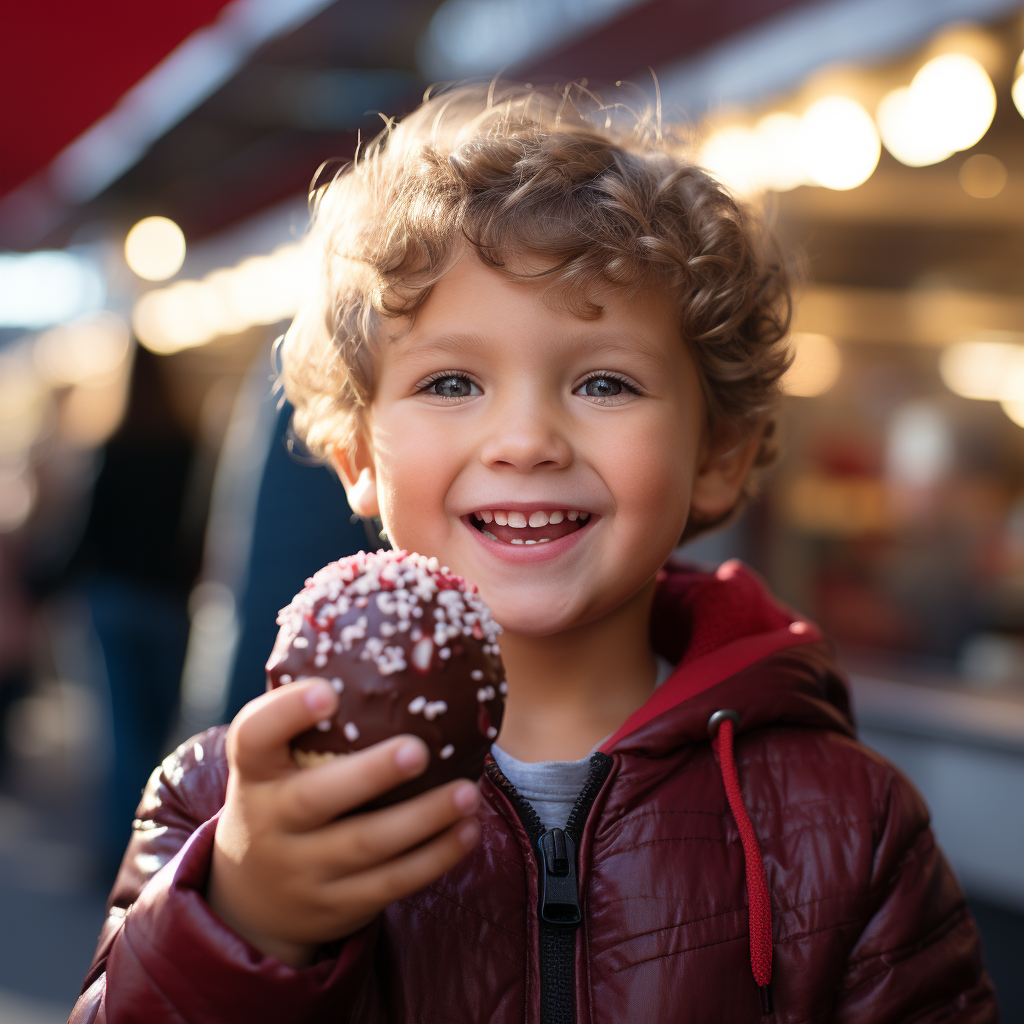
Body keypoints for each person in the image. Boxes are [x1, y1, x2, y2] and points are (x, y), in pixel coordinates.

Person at [70, 84, 996, 1023]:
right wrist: (242, 922)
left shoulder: (850, 823)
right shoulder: (228, 802)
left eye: (602, 382)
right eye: (452, 381)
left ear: (717, 455)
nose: (525, 439)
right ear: (358, 456)